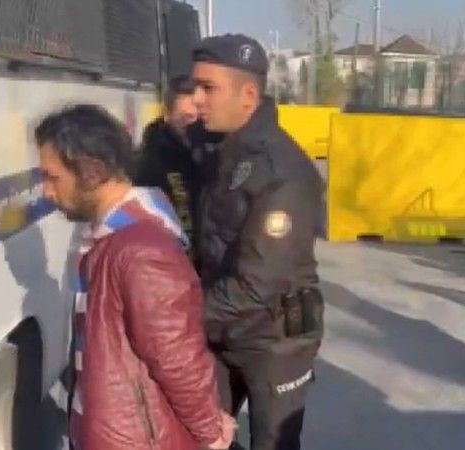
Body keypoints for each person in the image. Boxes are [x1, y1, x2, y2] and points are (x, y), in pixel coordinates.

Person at [35, 104, 235, 450]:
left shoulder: (141, 250)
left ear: (92, 171)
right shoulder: (110, 237)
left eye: (53, 178)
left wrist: (211, 432)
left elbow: (176, 357)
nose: (47, 192)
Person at [191, 34, 325, 450]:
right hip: (221, 327)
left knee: (273, 442)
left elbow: (257, 284)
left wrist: (179, 314)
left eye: (208, 88)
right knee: (201, 434)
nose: (196, 100)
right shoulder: (218, 150)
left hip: (274, 339)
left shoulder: (282, 172)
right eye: (195, 87)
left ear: (248, 96)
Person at [135, 75, 222, 269]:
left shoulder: (217, 154)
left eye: (199, 118)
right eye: (187, 118)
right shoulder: (148, 165)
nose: (195, 127)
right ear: (167, 115)